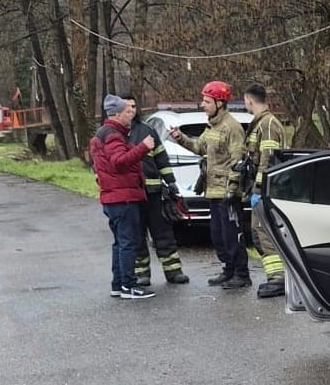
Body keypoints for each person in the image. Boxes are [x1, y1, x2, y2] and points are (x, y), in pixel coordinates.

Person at [168, 80, 250, 289]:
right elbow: (198, 147)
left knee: (232, 235)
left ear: (219, 103)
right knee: (218, 235)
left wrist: (232, 191)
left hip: (227, 193)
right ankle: (228, 270)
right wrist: (180, 138)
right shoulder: (212, 127)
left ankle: (241, 274)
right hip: (213, 191)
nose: (202, 105)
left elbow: (238, 161)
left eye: (206, 101)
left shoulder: (231, 127)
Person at [90, 93, 155, 299]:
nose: (132, 114)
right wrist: (143, 148)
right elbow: (119, 161)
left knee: (120, 242)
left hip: (114, 197)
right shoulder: (113, 135)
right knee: (128, 242)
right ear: (117, 114)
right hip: (122, 197)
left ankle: (118, 284)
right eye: (128, 111)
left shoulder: (106, 133)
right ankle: (128, 285)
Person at [123, 93, 190, 287]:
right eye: (127, 107)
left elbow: (162, 159)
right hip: (131, 196)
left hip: (153, 194)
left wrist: (171, 182)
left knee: (163, 233)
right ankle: (141, 273)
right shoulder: (115, 133)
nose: (131, 111)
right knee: (136, 235)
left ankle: (173, 271)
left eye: (134, 106)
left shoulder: (147, 131)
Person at [241, 83, 288, 298]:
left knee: (264, 233)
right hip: (262, 189)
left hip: (266, 190)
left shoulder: (267, 124)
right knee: (259, 234)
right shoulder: (261, 123)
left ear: (249, 100)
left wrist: (260, 189)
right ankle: (275, 277)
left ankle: (278, 279)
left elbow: (267, 159)